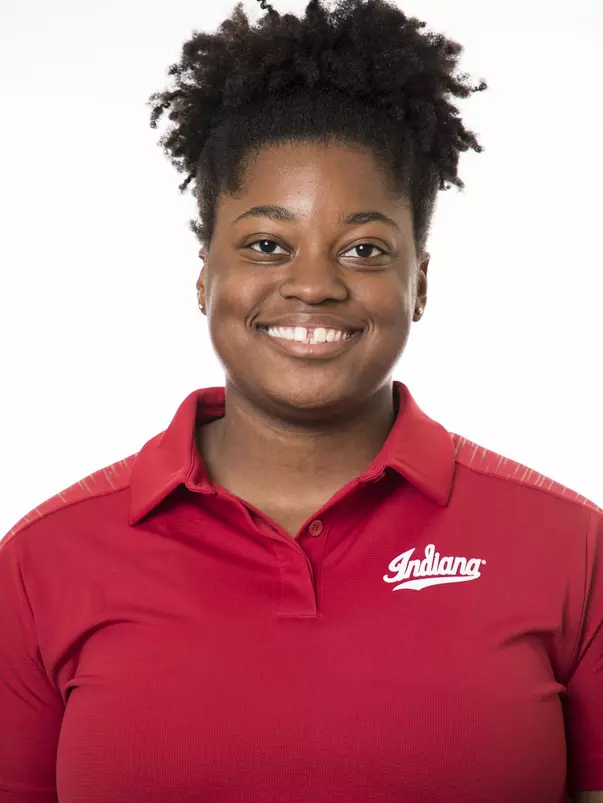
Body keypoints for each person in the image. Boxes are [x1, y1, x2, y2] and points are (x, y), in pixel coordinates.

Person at [0, 0, 601, 800]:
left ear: (418, 282)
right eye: (265, 244)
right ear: (204, 275)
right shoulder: (45, 560)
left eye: (362, 248)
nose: (313, 284)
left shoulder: (571, 549)